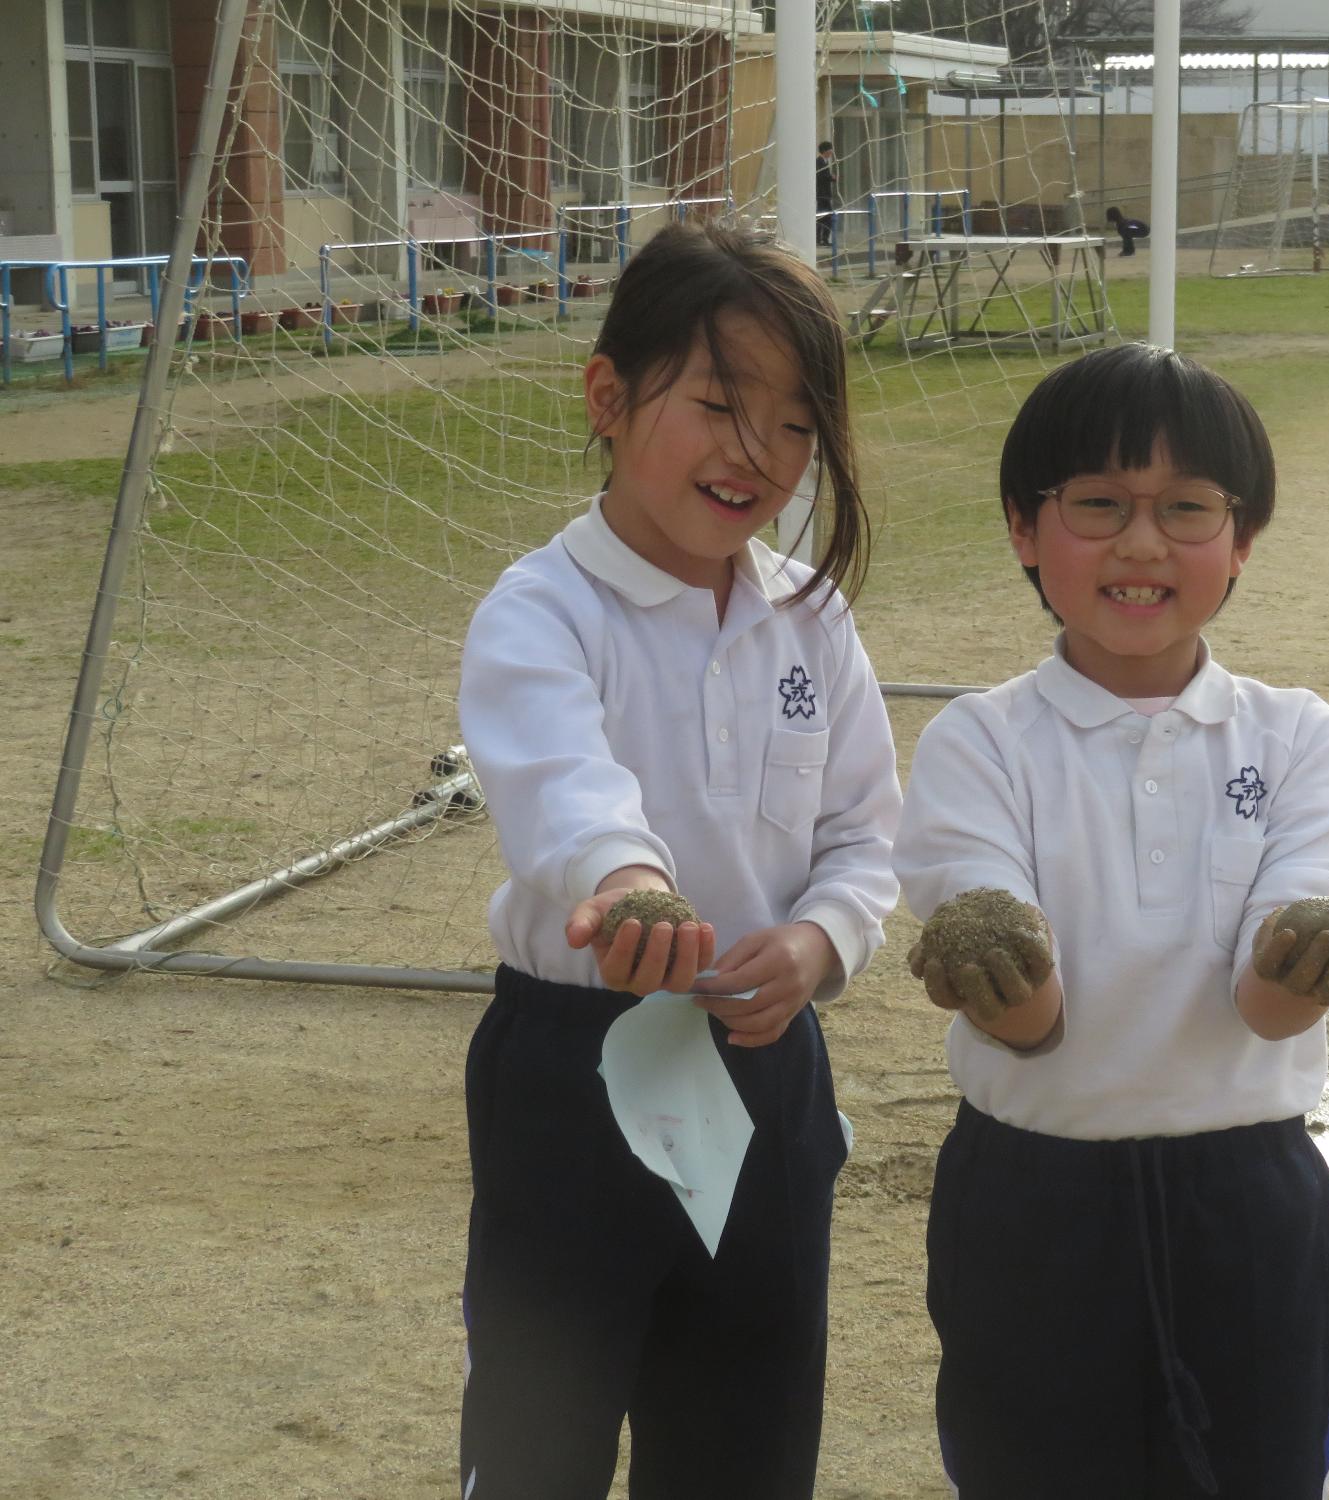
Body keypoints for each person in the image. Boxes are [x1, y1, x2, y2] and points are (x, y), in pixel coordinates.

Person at [894, 342, 1329, 1499]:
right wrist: (987, 953)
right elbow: (1031, 1027)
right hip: (1031, 1204)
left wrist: (1315, 952)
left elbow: (1266, 1010)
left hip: (1248, 1204)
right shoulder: (979, 741)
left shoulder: (1297, 737)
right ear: (1025, 530)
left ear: (1243, 539)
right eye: (1097, 506)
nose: (1140, 544)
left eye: (1186, 509)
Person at [455, 221, 901, 1500]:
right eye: (717, 404)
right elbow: (560, 787)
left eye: (796, 425)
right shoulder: (543, 609)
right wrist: (626, 886)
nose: (755, 454)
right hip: (573, 1065)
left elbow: (867, 835)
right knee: (541, 1436)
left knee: (745, 1438)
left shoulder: (810, 620)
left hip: (766, 1068)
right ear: (608, 396)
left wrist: (819, 943)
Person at [816, 140, 836, 246]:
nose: (831, 152)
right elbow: (820, 176)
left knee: (825, 217)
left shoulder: (824, 161)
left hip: (825, 194)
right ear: (825, 151)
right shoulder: (819, 161)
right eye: (830, 150)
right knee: (824, 217)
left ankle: (823, 239)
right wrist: (830, 177)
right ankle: (821, 239)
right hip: (822, 195)